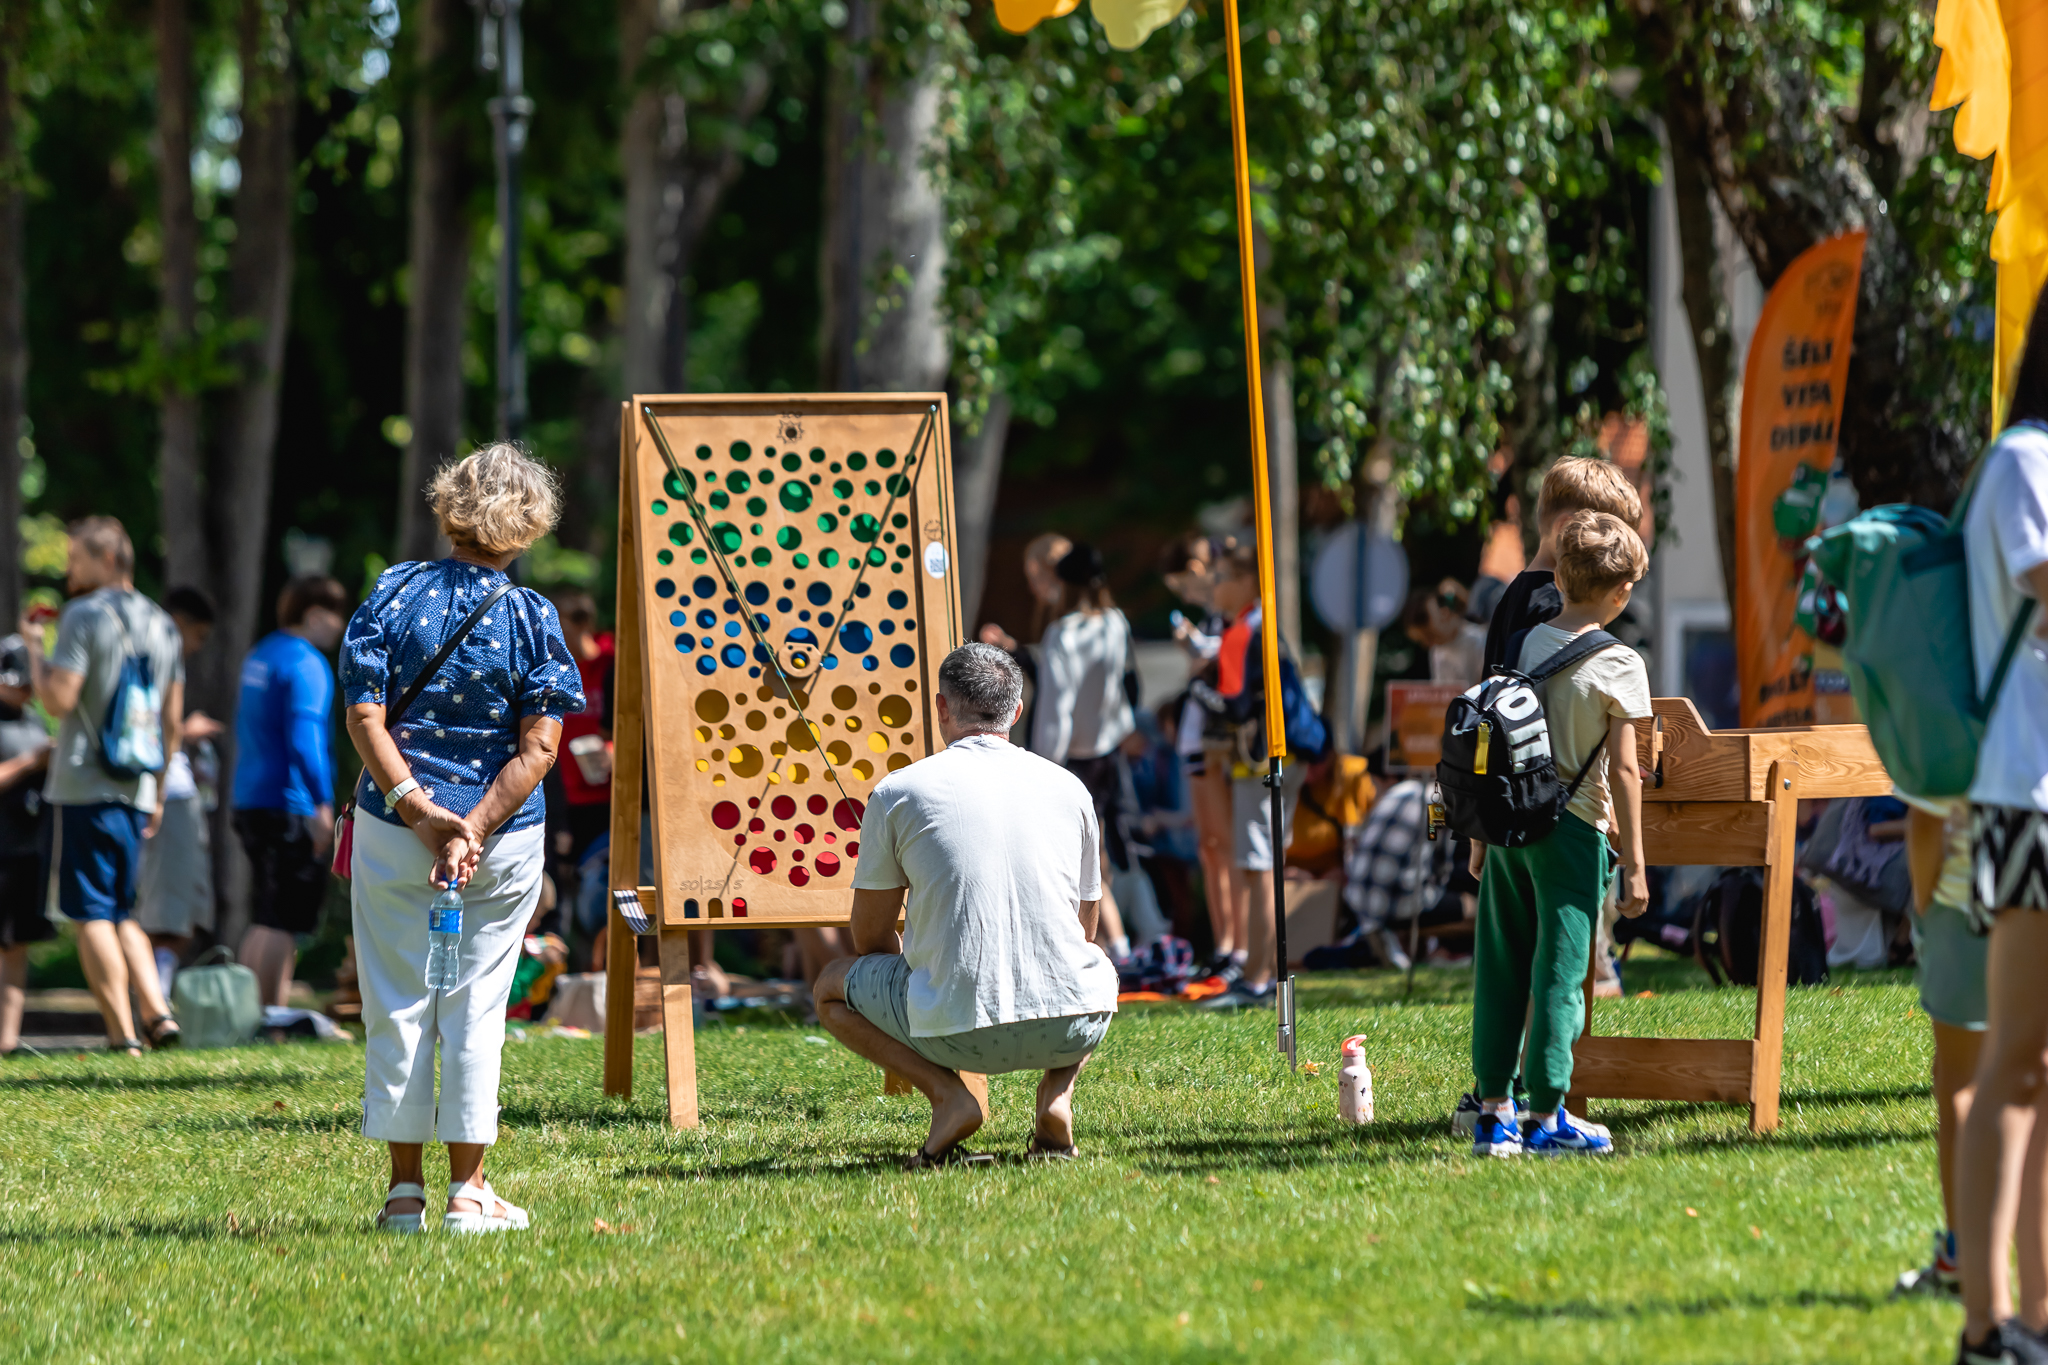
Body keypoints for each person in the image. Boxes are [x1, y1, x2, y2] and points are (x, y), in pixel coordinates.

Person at [342, 445, 583, 1234]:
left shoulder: (391, 590)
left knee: (396, 1002)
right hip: (500, 839)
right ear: (530, 523)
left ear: (449, 506)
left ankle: (403, 1193)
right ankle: (469, 1191)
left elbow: (364, 713)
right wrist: (472, 826)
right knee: (479, 1008)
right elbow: (540, 747)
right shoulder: (532, 617)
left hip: (393, 828)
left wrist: (417, 808)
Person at [813, 643, 1118, 1166]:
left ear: (941, 708)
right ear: (1016, 712)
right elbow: (1084, 931)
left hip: (950, 1033)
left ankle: (948, 1097)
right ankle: (1057, 1093)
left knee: (828, 987)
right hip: (1072, 1027)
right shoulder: (1071, 788)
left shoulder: (899, 791)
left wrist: (920, 978)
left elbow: (869, 938)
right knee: (1097, 964)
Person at [1465, 510, 1651, 1157]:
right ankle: (1546, 1116)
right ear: (1621, 592)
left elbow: (1492, 740)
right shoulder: (1622, 663)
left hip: (1509, 830)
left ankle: (1493, 1113)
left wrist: (1479, 837)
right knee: (1559, 975)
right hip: (1572, 832)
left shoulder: (1523, 645)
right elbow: (1624, 770)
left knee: (1500, 967)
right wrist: (1636, 864)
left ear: (1561, 578)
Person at [1951, 303, 2048, 1365]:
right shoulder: (2024, 459)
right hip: (2025, 792)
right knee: (2014, 1060)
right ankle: (1984, 1324)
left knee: (2039, 1065)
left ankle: (2038, 1316)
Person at [21, 517, 184, 1054]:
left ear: (108, 559)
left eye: (76, 559)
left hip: (84, 784)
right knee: (122, 909)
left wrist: (34, 649)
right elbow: (172, 720)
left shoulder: (83, 615)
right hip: (137, 787)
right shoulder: (162, 622)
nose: (69, 571)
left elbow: (59, 699)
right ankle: (158, 1013)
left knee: (89, 911)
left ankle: (122, 1036)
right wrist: (159, 788)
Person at [1196, 542, 1309, 1010]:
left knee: (1260, 868)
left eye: (1221, 577)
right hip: (1276, 759)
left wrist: (1200, 688)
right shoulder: (1261, 625)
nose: (1214, 587)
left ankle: (1258, 977)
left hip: (1261, 763)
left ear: (1246, 581)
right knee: (1261, 865)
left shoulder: (1245, 630)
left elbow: (1236, 705)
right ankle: (1257, 972)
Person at [233, 575, 349, 1027]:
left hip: (250, 799)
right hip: (291, 804)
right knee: (285, 918)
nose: (339, 626)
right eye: (335, 615)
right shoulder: (307, 664)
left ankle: (248, 1017)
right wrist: (322, 804)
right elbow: (305, 740)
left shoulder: (260, 655)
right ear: (315, 614)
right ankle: (272, 1019)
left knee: (265, 913)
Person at [1890, 791, 1986, 1301]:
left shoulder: (1959, 733)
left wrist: (1924, 912)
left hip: (1966, 900)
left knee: (1958, 1083)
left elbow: (1927, 822)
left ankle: (1961, 1257)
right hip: (2032, 897)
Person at [1029, 542, 1136, 960]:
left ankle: (1104, 947)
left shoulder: (1063, 633)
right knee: (1099, 856)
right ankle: (1115, 945)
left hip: (1071, 759)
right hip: (1107, 752)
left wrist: (1043, 764)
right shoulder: (1115, 622)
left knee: (1073, 863)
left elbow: (1057, 707)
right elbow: (1117, 692)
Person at [1481, 457, 1644, 676]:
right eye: (1605, 538)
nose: (1614, 554)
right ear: (1564, 527)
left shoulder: (1517, 593)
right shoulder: (1557, 607)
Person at [135, 586, 221, 1001]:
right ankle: (154, 1011)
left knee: (180, 913)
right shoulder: (153, 657)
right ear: (177, 623)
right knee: (166, 918)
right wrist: (186, 732)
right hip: (167, 798)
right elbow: (142, 729)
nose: (197, 647)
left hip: (175, 795)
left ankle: (154, 1006)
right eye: (198, 635)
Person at [0, 631, 52, 1056]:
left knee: (17, 946)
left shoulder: (35, 722)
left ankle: (8, 1041)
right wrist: (30, 762)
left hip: (28, 848)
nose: (25, 690)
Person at [1404, 579, 1487, 687]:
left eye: (1430, 636)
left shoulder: (1478, 640)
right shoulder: (1438, 650)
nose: (1428, 645)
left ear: (1445, 614)